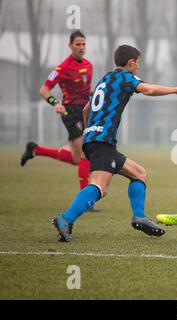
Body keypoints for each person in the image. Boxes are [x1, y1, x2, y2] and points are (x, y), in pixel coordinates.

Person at [52, 44, 177, 242]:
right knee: (100, 187)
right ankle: (65, 219)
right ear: (130, 62)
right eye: (138, 63)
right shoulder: (126, 78)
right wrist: (176, 90)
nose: (138, 68)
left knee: (139, 173)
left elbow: (86, 110)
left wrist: (89, 134)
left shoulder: (105, 79)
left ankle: (139, 217)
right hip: (103, 141)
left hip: (95, 139)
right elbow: (148, 90)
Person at [21, 30, 98, 211]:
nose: (81, 47)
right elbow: (44, 90)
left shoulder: (89, 65)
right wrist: (55, 103)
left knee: (74, 158)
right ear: (70, 45)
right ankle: (86, 201)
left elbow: (85, 91)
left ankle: (35, 150)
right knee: (85, 153)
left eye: (83, 44)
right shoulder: (62, 68)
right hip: (70, 112)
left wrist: (98, 94)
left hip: (84, 111)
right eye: (78, 44)